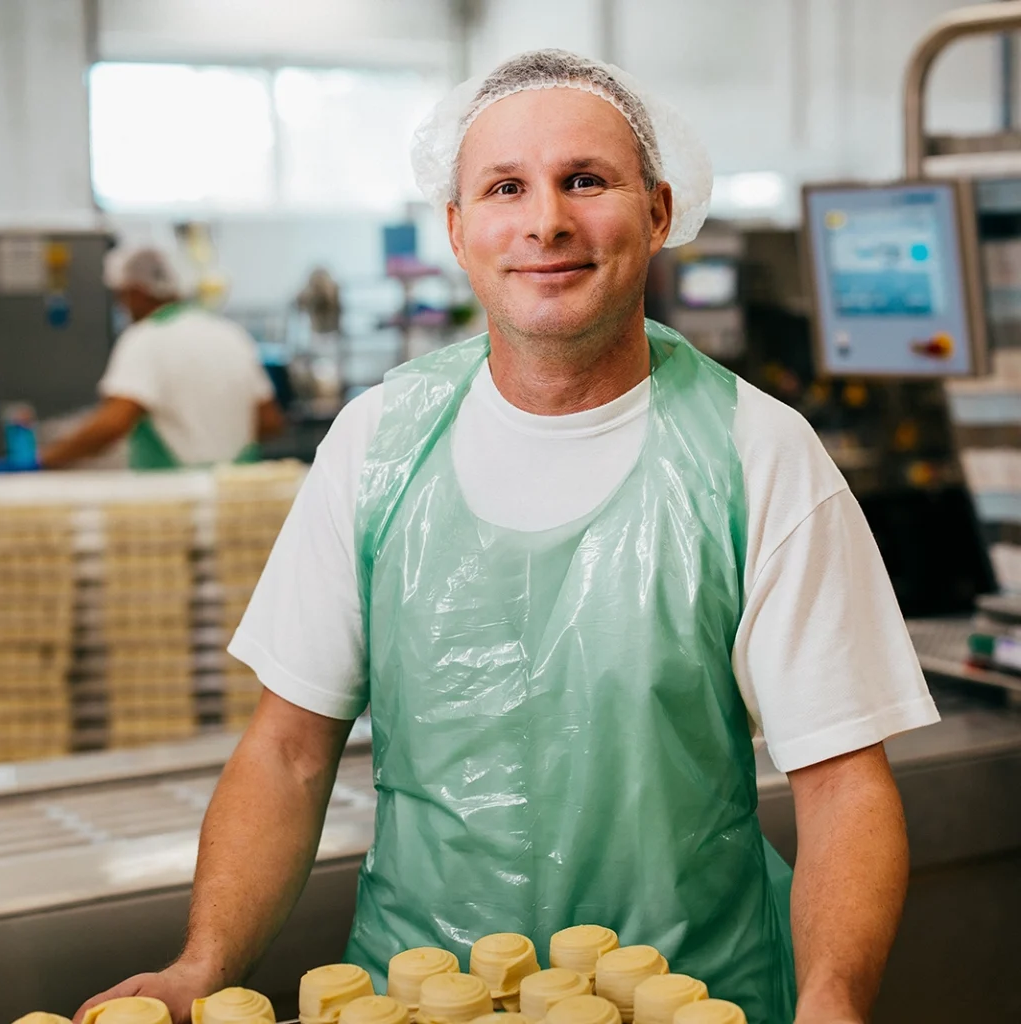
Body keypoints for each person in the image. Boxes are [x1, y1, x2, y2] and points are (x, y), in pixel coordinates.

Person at [77, 51, 939, 1024]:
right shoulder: (378, 444)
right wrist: (203, 964)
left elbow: (841, 787)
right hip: (416, 997)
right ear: (456, 227)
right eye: (504, 187)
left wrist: (831, 999)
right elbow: (287, 750)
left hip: (692, 994)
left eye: (584, 180)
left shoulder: (755, 453)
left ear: (657, 212)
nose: (545, 222)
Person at [36, 246, 285, 470]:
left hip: (174, 495)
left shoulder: (143, 339)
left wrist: (45, 459)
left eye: (122, 297)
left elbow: (113, 424)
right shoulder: (231, 334)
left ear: (138, 292)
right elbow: (270, 420)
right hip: (237, 494)